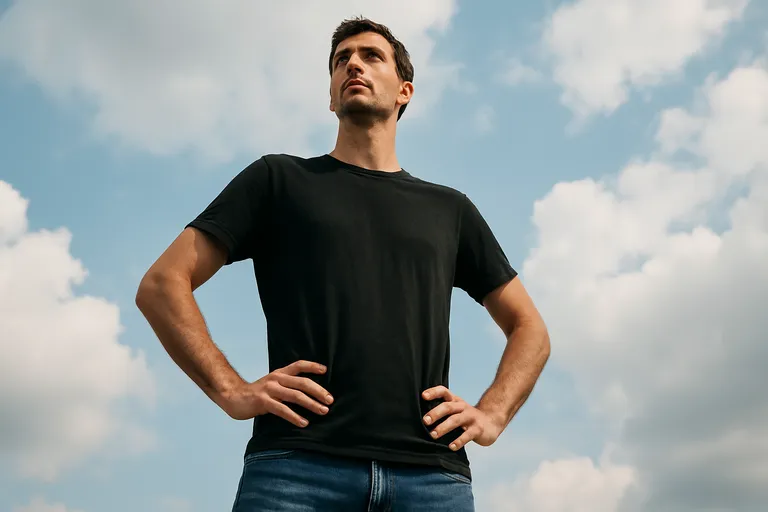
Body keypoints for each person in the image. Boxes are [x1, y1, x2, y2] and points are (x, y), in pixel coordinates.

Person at [135, 16, 550, 512]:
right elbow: (162, 284)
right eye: (340, 60)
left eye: (372, 56)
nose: (352, 63)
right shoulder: (278, 181)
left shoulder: (450, 209)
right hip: (295, 470)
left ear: (405, 91)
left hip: (431, 480)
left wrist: (492, 414)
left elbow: (530, 328)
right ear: (332, 98)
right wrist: (230, 389)